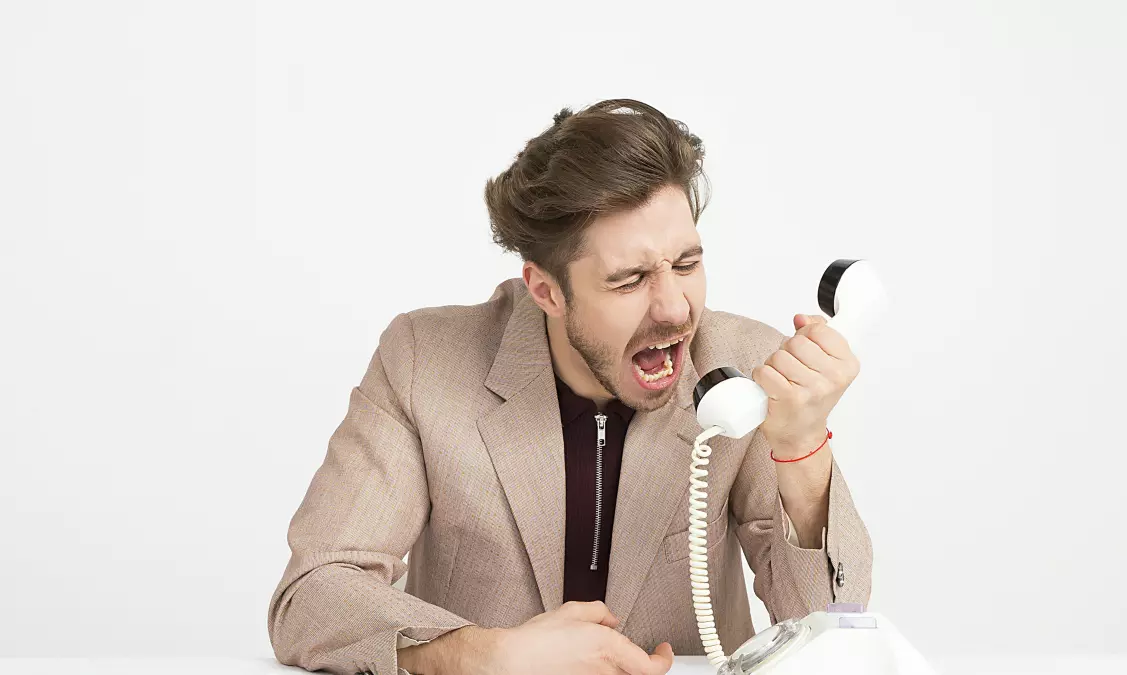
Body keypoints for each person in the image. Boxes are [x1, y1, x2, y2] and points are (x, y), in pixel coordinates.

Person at [267, 99, 872, 675]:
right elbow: (313, 594)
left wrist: (800, 449)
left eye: (686, 264)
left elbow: (830, 627)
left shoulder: (742, 364)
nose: (674, 308)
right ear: (547, 291)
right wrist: (485, 655)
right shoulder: (425, 360)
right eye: (629, 279)